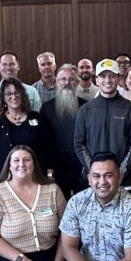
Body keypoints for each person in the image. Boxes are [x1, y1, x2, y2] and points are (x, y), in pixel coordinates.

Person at [73, 59, 131, 190]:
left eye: (112, 76)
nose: (107, 80)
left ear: (119, 79)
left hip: (125, 181)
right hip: (94, 183)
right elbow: (79, 144)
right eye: (103, 76)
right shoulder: (85, 110)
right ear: (96, 79)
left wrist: (120, 173)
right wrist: (95, 173)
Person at [0, 78, 53, 183]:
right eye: (9, 94)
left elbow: (48, 147)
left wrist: (50, 174)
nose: (14, 96)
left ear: (23, 95)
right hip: (6, 179)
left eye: (17, 92)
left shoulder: (37, 118)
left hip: (36, 177)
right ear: (3, 98)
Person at [40, 64, 85, 196]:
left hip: (81, 166)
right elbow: (44, 142)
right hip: (57, 167)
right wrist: (49, 170)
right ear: (57, 82)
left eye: (71, 79)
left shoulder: (86, 106)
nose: (67, 83)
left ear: (77, 83)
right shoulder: (47, 108)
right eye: (63, 79)